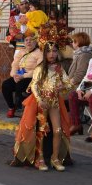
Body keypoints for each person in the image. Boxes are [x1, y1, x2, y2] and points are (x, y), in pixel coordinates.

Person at [11, 41, 74, 171]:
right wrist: (40, 100)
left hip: (54, 103)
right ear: (44, 53)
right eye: (49, 51)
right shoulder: (40, 68)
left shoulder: (59, 68)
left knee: (57, 130)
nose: (52, 54)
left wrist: (64, 86)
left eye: (55, 51)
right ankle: (39, 159)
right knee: (41, 131)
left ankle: (55, 158)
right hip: (42, 103)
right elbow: (34, 85)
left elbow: (68, 83)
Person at [2, 30, 43, 118]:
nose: (28, 42)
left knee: (20, 86)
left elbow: (38, 70)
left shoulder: (39, 53)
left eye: (31, 40)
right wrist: (14, 75)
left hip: (32, 77)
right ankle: (11, 107)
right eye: (26, 40)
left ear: (35, 42)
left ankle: (20, 108)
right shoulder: (21, 52)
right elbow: (15, 64)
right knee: (6, 85)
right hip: (20, 74)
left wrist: (23, 76)